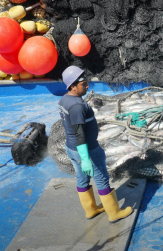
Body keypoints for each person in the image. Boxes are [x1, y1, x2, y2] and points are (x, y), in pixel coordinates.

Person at [58, 65, 132, 223]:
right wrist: (85, 158)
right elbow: (79, 134)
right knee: (102, 179)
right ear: (73, 86)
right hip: (87, 150)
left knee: (82, 178)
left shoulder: (64, 100)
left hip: (71, 149)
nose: (87, 85)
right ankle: (114, 213)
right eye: (83, 83)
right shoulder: (77, 106)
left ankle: (91, 210)